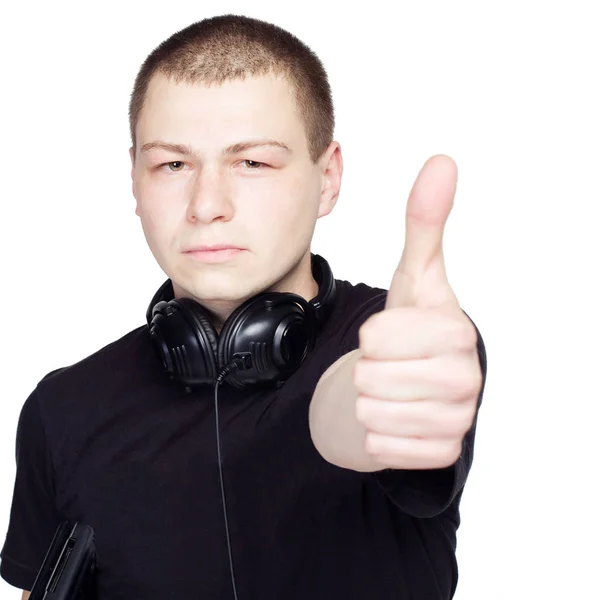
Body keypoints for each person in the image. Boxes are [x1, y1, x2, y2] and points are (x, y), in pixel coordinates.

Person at [0, 13, 487, 600]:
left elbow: (349, 408)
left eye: (252, 162)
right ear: (134, 180)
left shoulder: (397, 343)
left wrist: (381, 394)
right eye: (173, 165)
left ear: (328, 178)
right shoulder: (64, 408)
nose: (207, 204)